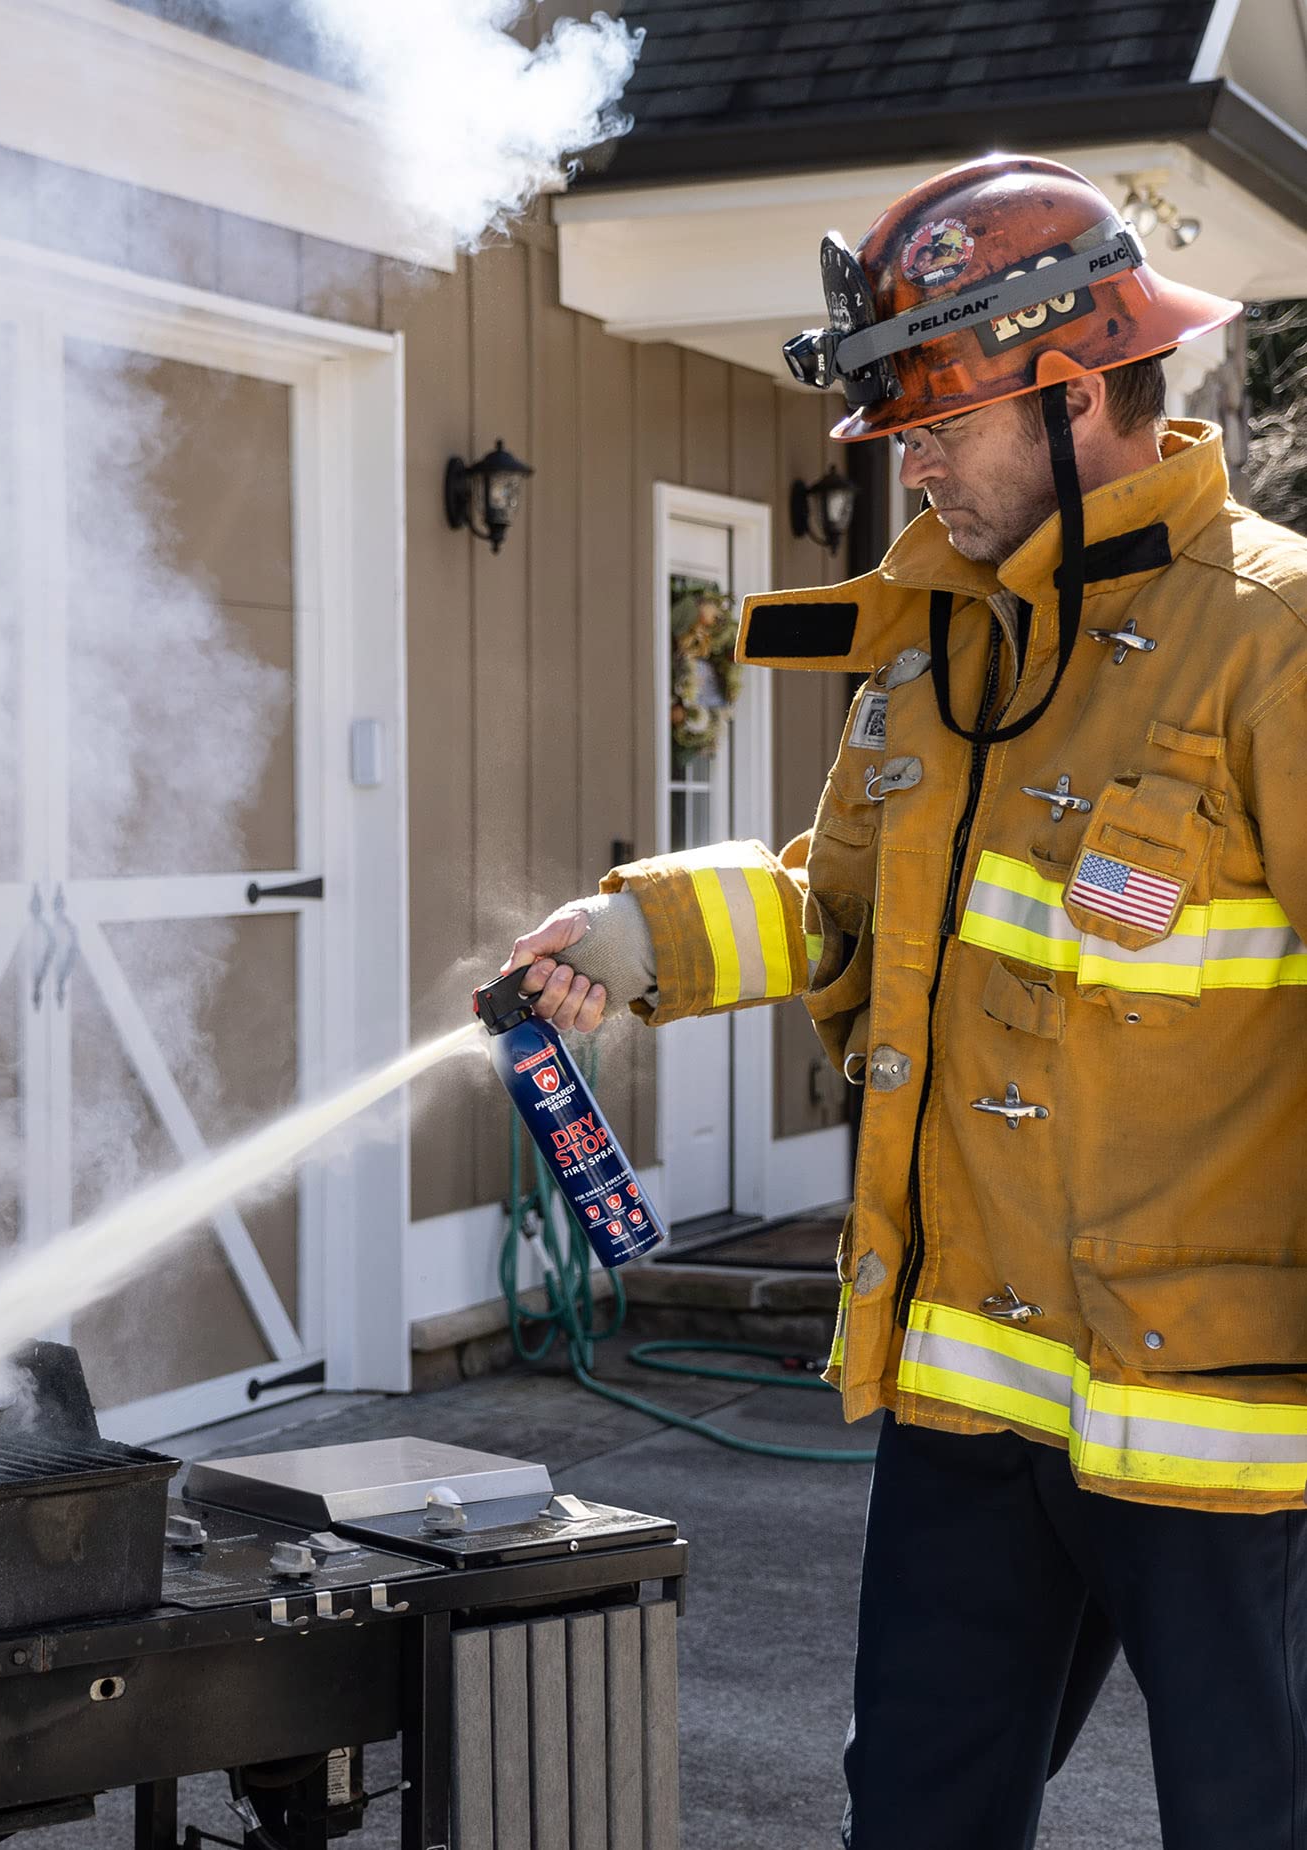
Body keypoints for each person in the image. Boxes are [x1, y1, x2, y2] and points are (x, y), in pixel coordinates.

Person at [505, 153, 1307, 1850]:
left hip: (1230, 1436)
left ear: (1081, 389)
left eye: (940, 420)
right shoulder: (936, 649)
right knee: (917, 1820)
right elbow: (841, 900)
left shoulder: (1276, 645)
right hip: (964, 1396)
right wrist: (640, 936)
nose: (906, 459)